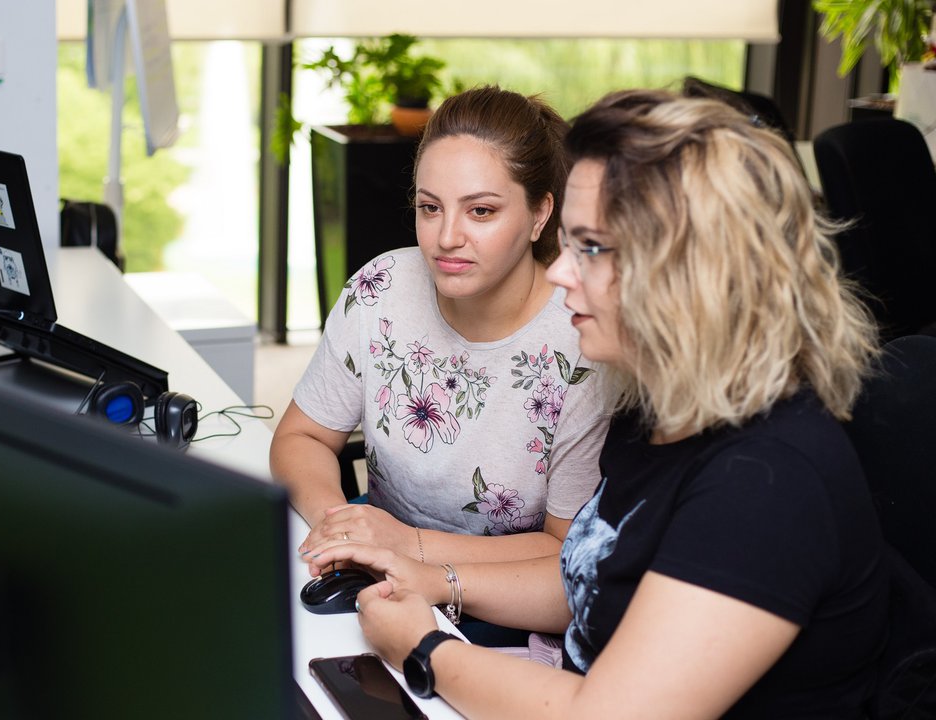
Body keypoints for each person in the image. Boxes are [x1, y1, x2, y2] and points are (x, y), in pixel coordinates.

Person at [304, 88, 889, 718]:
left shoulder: (768, 485)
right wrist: (432, 582)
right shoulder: (660, 412)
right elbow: (580, 581)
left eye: (592, 248)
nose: (558, 273)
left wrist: (423, 648)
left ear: (691, 272)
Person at [271, 86, 610, 592]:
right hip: (375, 565)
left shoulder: (586, 336)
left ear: (541, 214)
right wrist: (341, 527)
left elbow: (564, 552)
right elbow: (302, 437)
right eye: (430, 208)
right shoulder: (380, 287)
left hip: (498, 598)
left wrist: (408, 547)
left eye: (481, 211)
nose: (446, 237)